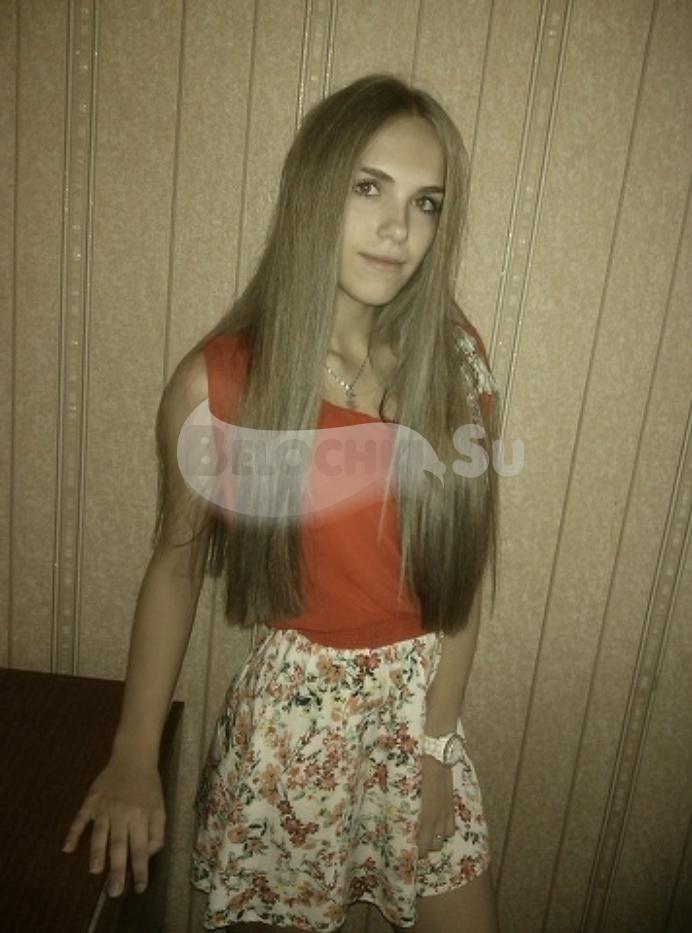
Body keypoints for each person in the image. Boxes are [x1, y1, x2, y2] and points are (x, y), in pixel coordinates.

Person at [62, 73, 501, 933]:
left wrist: (436, 744)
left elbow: (463, 571)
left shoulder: (457, 359)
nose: (399, 227)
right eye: (369, 187)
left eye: (426, 202)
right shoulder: (222, 384)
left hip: (421, 714)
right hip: (295, 730)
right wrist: (133, 756)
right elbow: (176, 566)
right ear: (314, 192)